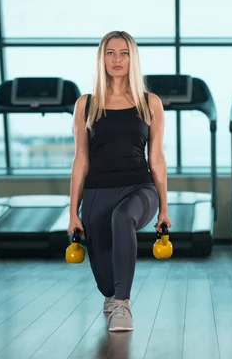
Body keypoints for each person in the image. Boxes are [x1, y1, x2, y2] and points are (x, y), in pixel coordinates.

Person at [68, 30, 171, 332]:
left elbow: (157, 159)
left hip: (139, 188)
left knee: (123, 217)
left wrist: (164, 208)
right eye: (110, 53)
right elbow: (80, 161)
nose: (117, 59)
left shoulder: (149, 102)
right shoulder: (86, 104)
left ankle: (123, 306)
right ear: (102, 58)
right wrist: (73, 212)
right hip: (98, 190)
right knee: (105, 284)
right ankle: (114, 297)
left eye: (124, 53)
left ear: (132, 58)